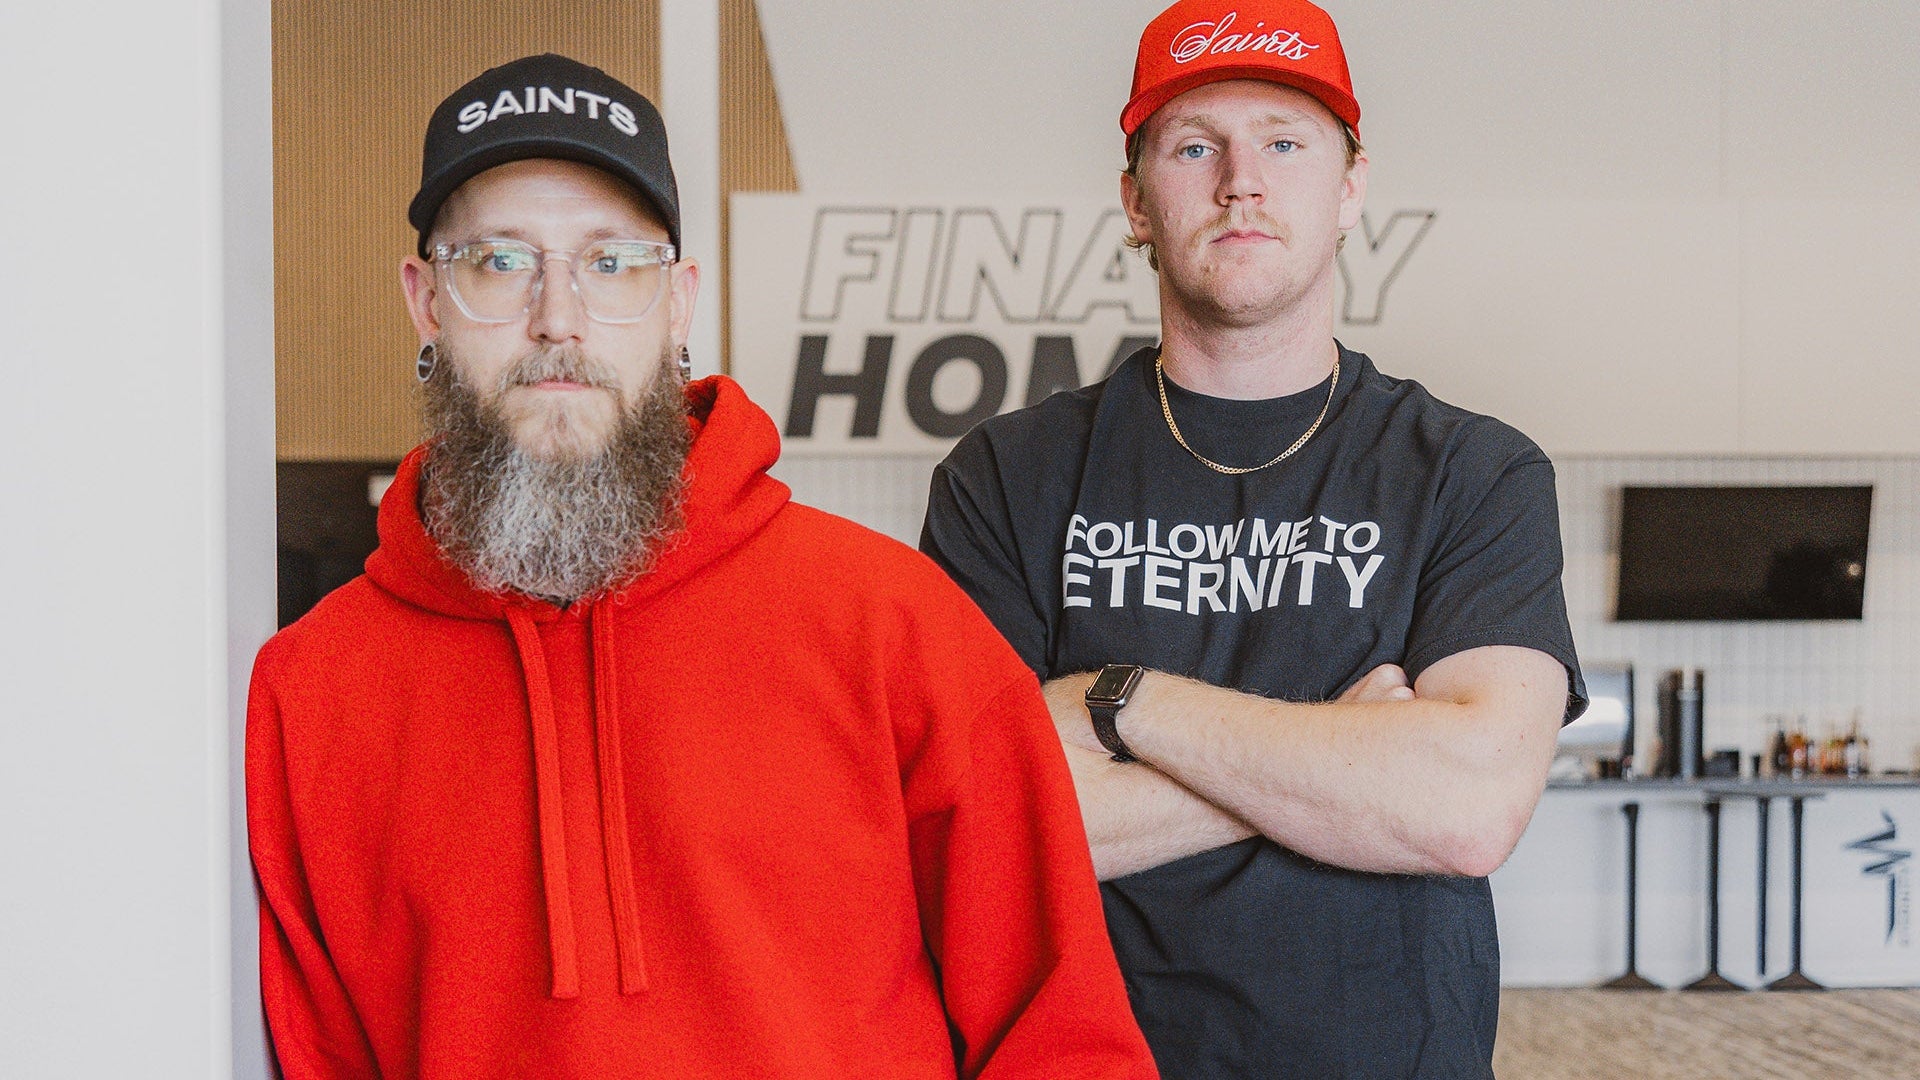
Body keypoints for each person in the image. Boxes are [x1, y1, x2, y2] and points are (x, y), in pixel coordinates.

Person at [247, 53, 1156, 1080]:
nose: (559, 318)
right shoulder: (310, 694)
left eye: (610, 263)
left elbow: (1064, 1038)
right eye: (500, 262)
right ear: (425, 301)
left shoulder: (893, 625)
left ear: (677, 301)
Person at [920, 3, 1588, 1077]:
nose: (1242, 179)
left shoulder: (1474, 473)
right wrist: (1347, 759)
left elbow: (1464, 808)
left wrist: (1121, 700)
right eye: (1195, 146)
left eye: (1284, 140)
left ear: (1349, 191)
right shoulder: (1006, 478)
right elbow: (980, 833)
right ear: (1137, 204)